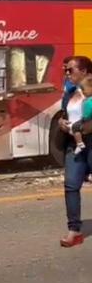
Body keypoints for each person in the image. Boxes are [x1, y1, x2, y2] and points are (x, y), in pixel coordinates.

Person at [59, 56, 92, 247]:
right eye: (66, 70)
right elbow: (64, 114)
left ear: (85, 71)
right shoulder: (70, 92)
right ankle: (74, 231)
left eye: (70, 70)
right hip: (75, 144)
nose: (67, 74)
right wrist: (61, 123)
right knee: (71, 186)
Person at [71, 75, 92, 153]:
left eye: (84, 89)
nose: (83, 92)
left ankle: (79, 143)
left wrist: (84, 118)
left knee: (75, 127)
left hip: (86, 120)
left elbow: (87, 113)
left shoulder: (88, 101)